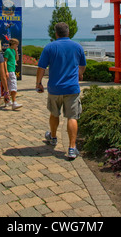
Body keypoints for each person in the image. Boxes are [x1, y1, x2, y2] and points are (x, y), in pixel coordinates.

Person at [36, 22, 86, 159]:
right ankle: (71, 147)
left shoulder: (49, 47)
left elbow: (41, 68)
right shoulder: (77, 47)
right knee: (72, 117)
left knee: (54, 113)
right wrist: (79, 75)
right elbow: (82, 66)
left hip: (55, 88)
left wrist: (38, 83)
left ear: (56, 33)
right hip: (72, 88)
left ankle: (53, 137)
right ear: (68, 32)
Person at [4, 38, 22, 110]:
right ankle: (14, 102)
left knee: (9, 86)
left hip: (12, 69)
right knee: (13, 86)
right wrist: (6, 71)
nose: (17, 46)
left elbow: (17, 59)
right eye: (16, 44)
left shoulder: (13, 51)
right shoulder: (8, 51)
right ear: (13, 44)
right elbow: (5, 61)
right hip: (10, 70)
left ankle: (7, 101)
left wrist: (16, 51)